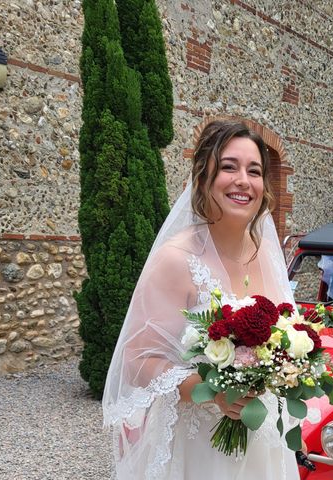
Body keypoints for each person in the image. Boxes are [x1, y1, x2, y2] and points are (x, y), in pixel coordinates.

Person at [102, 120, 301, 480]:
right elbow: (137, 359)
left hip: (263, 439)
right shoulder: (177, 259)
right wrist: (212, 392)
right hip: (200, 447)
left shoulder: (269, 254)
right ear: (204, 177)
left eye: (254, 171)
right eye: (229, 167)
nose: (243, 180)